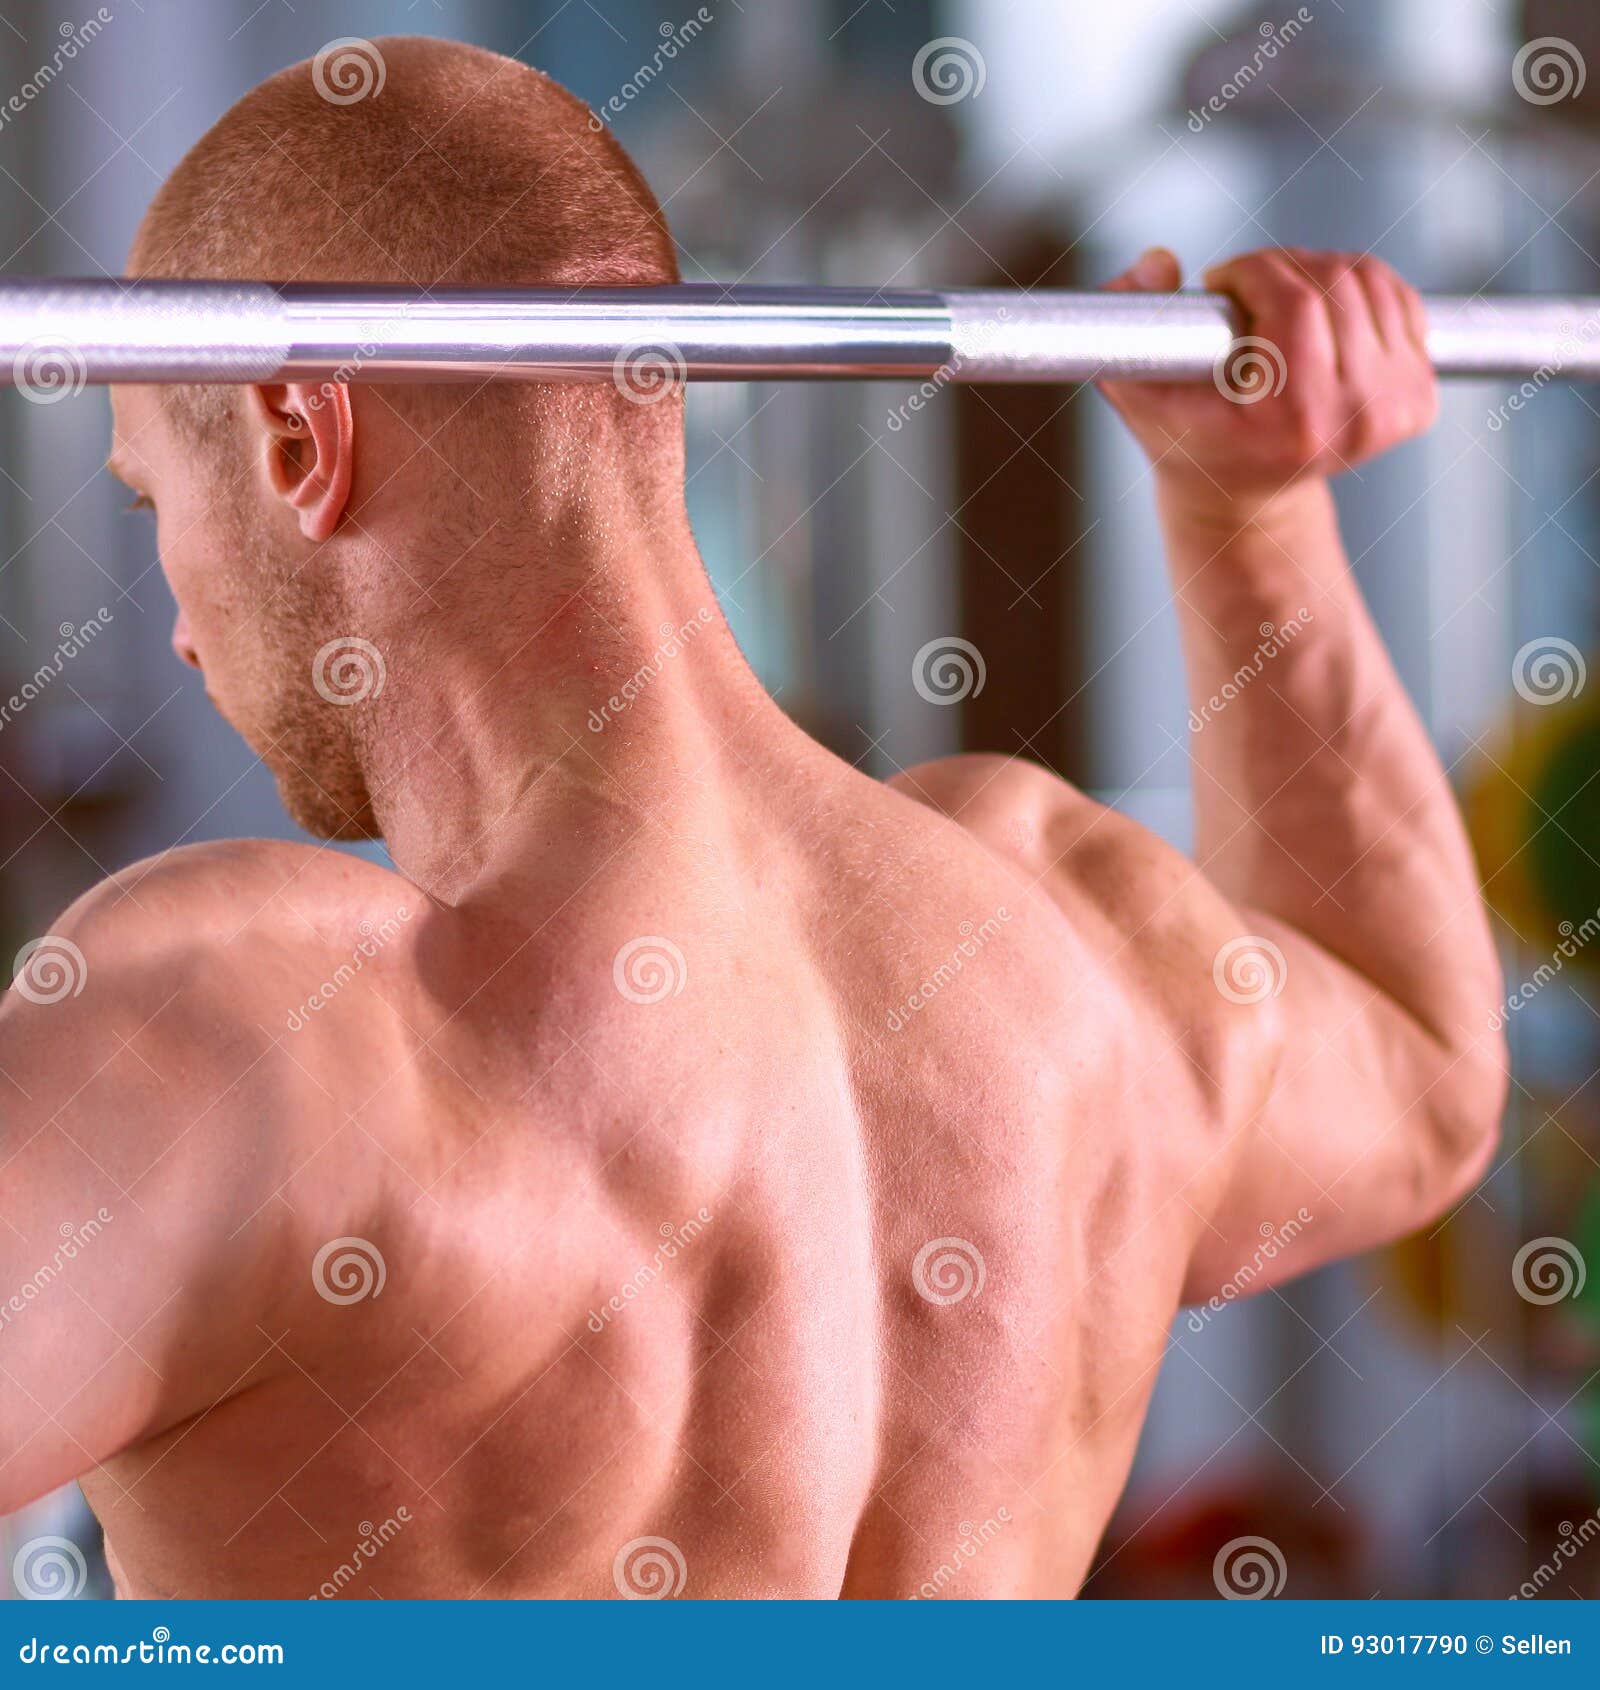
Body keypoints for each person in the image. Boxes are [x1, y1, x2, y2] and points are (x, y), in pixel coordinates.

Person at [0, 37, 1504, 1599]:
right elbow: (1424, 1061)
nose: (176, 621)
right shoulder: (1065, 941)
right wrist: (1248, 514)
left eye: (149, 502)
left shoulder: (256, 1043)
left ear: (299, 444)